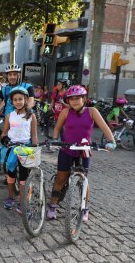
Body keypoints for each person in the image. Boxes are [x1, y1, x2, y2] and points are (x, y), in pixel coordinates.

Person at [46, 85, 116, 221]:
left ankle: (85, 207)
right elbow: (57, 128)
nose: (74, 101)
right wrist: (54, 140)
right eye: (71, 99)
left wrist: (111, 141)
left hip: (84, 150)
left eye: (77, 98)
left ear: (84, 99)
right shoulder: (66, 112)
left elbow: (104, 127)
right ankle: (53, 204)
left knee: (84, 179)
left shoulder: (92, 111)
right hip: (67, 149)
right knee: (61, 178)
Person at [0, 87, 37, 213]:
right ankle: (11, 197)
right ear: (12, 101)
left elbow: (34, 135)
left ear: (26, 99)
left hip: (25, 148)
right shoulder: (10, 116)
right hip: (12, 147)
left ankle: (23, 201)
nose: (18, 102)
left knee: (23, 176)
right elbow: (4, 132)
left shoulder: (31, 116)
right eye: (15, 100)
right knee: (10, 172)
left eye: (20, 99)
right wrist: (4, 139)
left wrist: (35, 148)